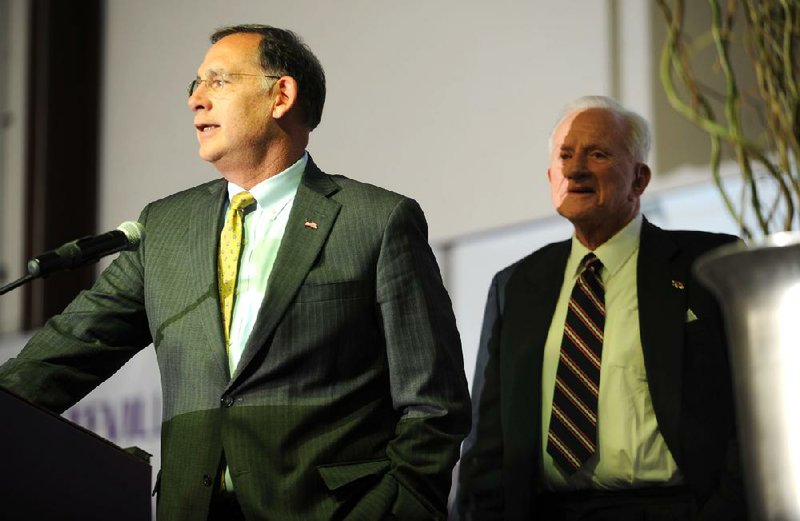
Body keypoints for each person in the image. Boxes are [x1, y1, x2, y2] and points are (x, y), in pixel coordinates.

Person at [0, 24, 471, 521]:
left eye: (218, 81)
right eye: (193, 86)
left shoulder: (373, 220)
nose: (196, 101)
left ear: (281, 95)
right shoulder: (166, 227)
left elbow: (433, 407)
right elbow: (65, 354)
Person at [455, 96, 747, 520]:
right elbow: (487, 442)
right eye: (565, 155)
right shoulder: (516, 285)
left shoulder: (707, 265)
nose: (575, 170)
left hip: (672, 509)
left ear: (640, 180)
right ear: (550, 175)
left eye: (597, 153)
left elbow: (750, 412)